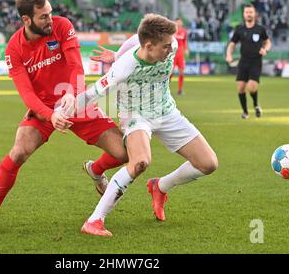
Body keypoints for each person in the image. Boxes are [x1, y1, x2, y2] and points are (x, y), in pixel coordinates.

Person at [0, 0, 128, 233]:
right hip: (44, 110)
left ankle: (95, 169)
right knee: (18, 153)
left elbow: (75, 64)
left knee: (124, 153)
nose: (50, 19)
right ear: (26, 20)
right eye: (43, 16)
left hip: (76, 101)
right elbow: (26, 94)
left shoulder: (62, 26)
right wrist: (50, 115)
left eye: (50, 12)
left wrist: (71, 93)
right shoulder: (13, 49)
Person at [74, 14, 218, 237]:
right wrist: (59, 112)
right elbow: (92, 93)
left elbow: (135, 38)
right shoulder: (124, 68)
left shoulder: (170, 42)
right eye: (166, 47)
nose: (171, 49)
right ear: (149, 46)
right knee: (141, 161)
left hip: (166, 111)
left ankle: (160, 187)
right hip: (135, 115)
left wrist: (116, 53)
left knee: (208, 163)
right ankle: (94, 220)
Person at [226, 4, 272, 119]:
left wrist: (265, 49)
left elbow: (268, 42)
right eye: (247, 12)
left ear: (255, 14)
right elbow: (232, 44)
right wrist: (229, 55)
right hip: (243, 61)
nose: (249, 14)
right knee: (241, 88)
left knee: (251, 87)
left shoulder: (260, 29)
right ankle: (245, 112)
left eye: (251, 12)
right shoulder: (240, 29)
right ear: (244, 14)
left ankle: (256, 105)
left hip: (256, 62)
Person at [172, 17, 189, 95]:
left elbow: (185, 41)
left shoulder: (184, 31)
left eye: (180, 22)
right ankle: (165, 90)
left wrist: (186, 49)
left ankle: (180, 90)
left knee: (181, 73)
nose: (179, 24)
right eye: (177, 22)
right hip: (173, 54)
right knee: (170, 73)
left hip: (180, 55)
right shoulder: (172, 31)